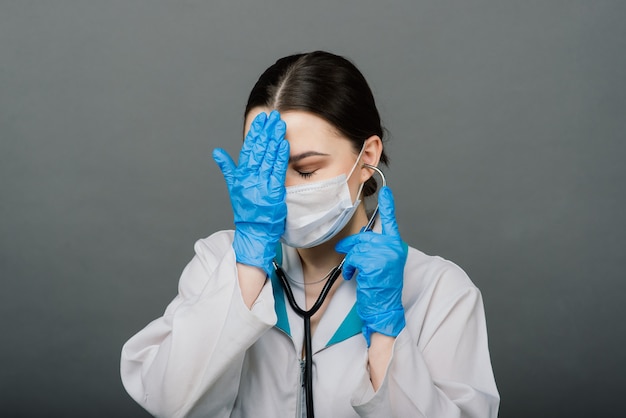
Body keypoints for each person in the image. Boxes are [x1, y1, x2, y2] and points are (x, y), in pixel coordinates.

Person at [120, 50, 499, 418]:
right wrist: (248, 268)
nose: (279, 194)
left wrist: (386, 334)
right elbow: (170, 403)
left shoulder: (439, 291)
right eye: (266, 171)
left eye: (305, 171)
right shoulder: (220, 261)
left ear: (367, 157)